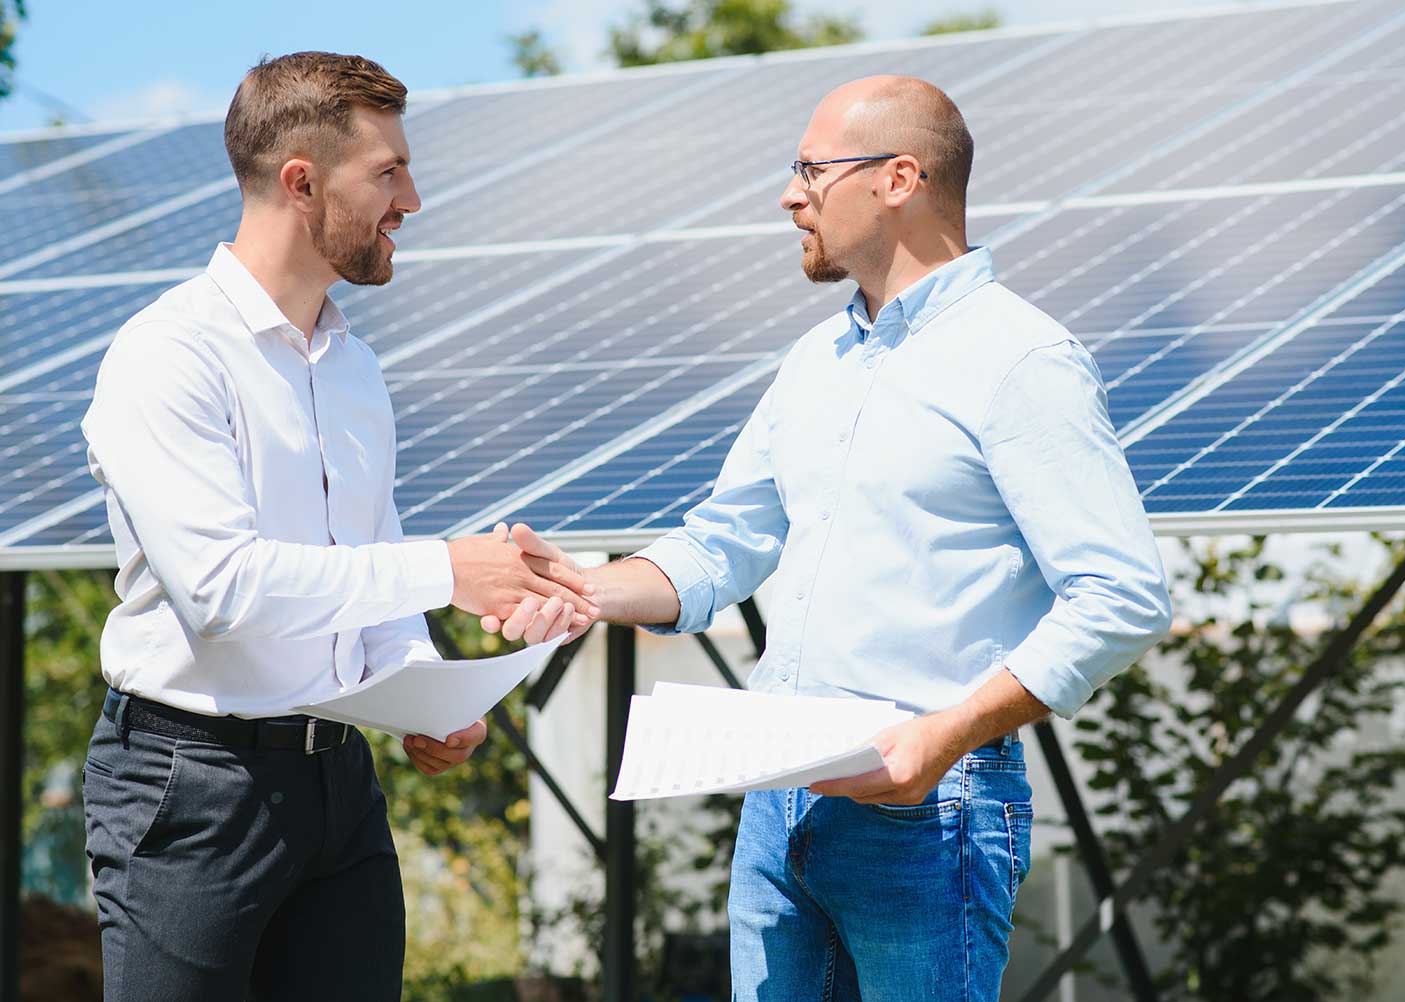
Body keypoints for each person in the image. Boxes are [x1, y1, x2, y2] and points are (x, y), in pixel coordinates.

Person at [491, 75, 1172, 999]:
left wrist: (945, 735)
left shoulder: (1023, 360)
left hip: (930, 807)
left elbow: (1122, 596)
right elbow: (724, 542)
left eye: (811, 170)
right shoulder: (817, 360)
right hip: (777, 799)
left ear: (899, 179)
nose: (789, 195)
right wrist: (585, 587)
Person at [78, 51, 598, 1002]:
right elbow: (223, 591)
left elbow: (369, 550)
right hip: (191, 787)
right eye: (388, 172)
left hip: (340, 786)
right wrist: (449, 572)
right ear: (302, 182)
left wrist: (424, 690)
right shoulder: (167, 354)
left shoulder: (356, 367)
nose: (412, 200)